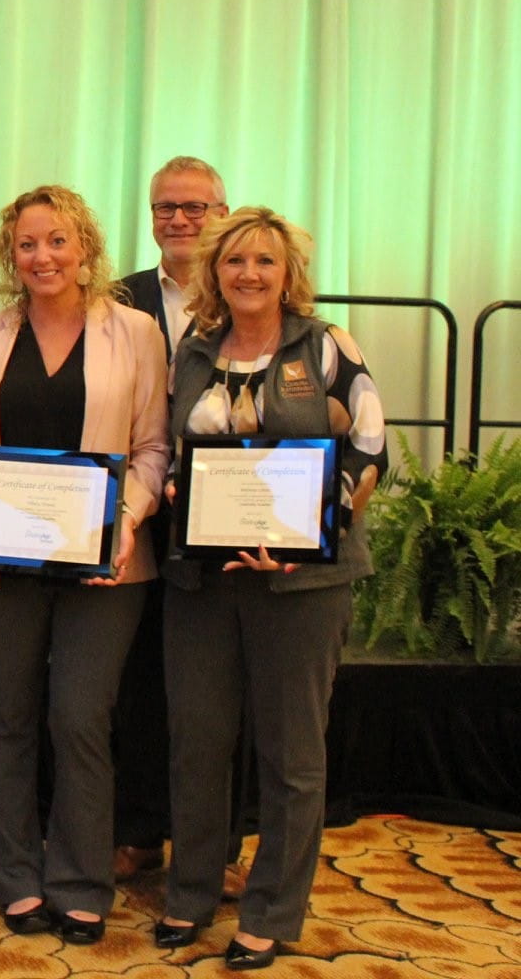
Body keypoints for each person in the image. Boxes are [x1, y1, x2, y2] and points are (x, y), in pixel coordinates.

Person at [154, 208, 385, 970]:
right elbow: (172, 450)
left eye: (264, 262)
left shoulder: (325, 347)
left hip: (303, 584)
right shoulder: (193, 351)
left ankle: (272, 912)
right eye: (234, 262)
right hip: (203, 582)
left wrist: (308, 531)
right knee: (198, 743)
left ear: (288, 273)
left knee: (291, 753)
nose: (248, 274)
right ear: (214, 271)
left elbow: (369, 445)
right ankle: (190, 894)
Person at [0, 184, 168, 943]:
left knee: (80, 717)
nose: (41, 256)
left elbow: (153, 449)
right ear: (9, 256)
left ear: (84, 247)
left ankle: (81, 879)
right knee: (6, 719)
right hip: (4, 559)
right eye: (26, 244)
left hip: (106, 565)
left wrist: (126, 521)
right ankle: (14, 876)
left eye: (56, 241)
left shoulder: (137, 331)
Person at [111, 155, 229, 883]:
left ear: (222, 210)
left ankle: (217, 848)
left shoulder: (250, 284)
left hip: (225, 527)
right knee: (139, 684)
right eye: (165, 208)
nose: (179, 220)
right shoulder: (115, 296)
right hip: (135, 521)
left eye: (195, 207)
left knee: (218, 695)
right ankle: (139, 832)